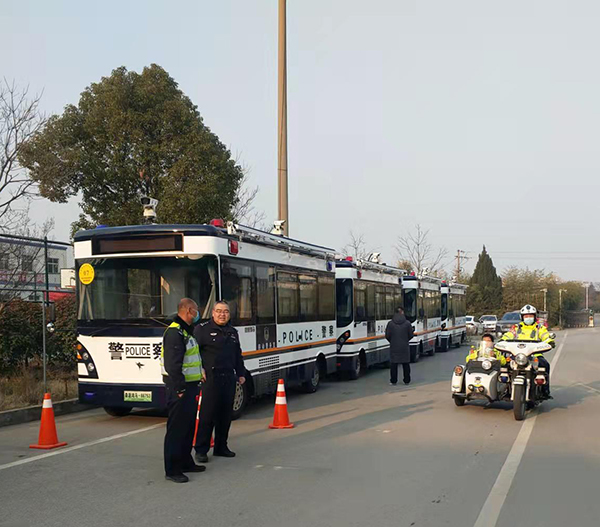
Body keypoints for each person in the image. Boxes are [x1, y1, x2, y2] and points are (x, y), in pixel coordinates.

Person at [194, 300, 246, 463]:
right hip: (210, 377)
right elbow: (193, 352)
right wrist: (199, 369)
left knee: (225, 415)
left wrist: (241, 373)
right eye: (219, 311)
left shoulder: (232, 332)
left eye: (225, 312)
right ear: (213, 313)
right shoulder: (202, 330)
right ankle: (201, 450)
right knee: (207, 415)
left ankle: (221, 447)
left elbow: (237, 354)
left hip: (229, 377)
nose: (222, 314)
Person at [161, 298, 206, 483]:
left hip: (191, 385)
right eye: (196, 310)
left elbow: (192, 358)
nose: (197, 314)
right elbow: (173, 364)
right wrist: (179, 388)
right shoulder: (174, 332)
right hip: (180, 388)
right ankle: (172, 469)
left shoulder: (187, 331)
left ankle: (186, 461)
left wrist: (200, 372)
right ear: (188, 310)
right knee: (176, 429)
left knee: (187, 427)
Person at [501, 304, 555, 398]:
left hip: (535, 355)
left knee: (545, 365)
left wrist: (550, 341)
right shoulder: (516, 328)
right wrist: (502, 340)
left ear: (534, 317)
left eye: (530, 316)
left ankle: (545, 390)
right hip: (517, 355)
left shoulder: (539, 328)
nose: (528, 318)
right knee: (504, 365)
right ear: (522, 317)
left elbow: (545, 336)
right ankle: (504, 387)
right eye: (526, 316)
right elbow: (509, 335)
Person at [385, 307, 415, 385]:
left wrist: (392, 341)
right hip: (404, 346)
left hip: (394, 346)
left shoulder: (390, 323)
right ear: (402, 313)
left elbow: (387, 335)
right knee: (406, 364)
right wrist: (405, 340)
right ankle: (407, 380)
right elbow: (411, 335)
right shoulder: (407, 323)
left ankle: (393, 380)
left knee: (394, 365)